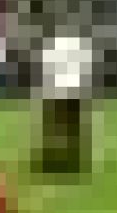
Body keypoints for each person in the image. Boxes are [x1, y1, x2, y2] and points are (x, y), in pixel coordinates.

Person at [35, 25, 95, 175]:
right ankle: (62, 162)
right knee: (63, 132)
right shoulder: (72, 45)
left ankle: (60, 162)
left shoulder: (58, 45)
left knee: (61, 131)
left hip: (63, 95)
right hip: (63, 95)